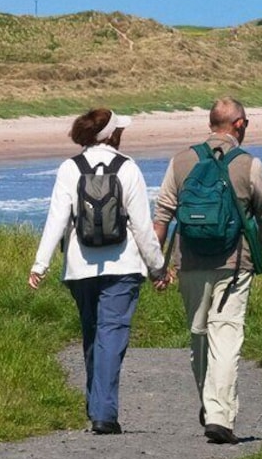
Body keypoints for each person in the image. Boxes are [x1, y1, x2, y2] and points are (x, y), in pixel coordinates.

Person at [29, 108, 170, 435]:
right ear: (111, 135)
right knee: (112, 334)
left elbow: (57, 220)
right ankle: (104, 413)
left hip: (80, 268)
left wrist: (40, 264)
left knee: (94, 335)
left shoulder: (69, 168)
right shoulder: (128, 168)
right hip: (123, 266)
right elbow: (142, 227)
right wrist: (158, 268)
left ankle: (96, 406)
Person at [153, 97, 262, 444]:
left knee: (199, 335)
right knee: (226, 335)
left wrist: (158, 265)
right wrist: (255, 246)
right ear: (238, 124)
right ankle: (219, 415)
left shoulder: (181, 161)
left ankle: (210, 409)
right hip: (234, 265)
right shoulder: (248, 164)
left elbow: (162, 215)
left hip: (190, 261)